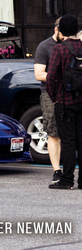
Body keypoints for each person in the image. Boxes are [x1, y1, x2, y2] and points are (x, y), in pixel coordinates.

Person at [46, 14, 82, 189]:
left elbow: (51, 77)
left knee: (68, 141)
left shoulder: (59, 49)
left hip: (65, 101)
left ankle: (67, 180)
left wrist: (54, 98)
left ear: (60, 31)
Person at [33, 18, 62, 183]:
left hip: (72, 94)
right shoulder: (44, 46)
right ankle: (56, 170)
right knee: (53, 132)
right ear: (56, 29)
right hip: (50, 94)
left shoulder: (73, 45)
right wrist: (63, 79)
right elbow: (39, 74)